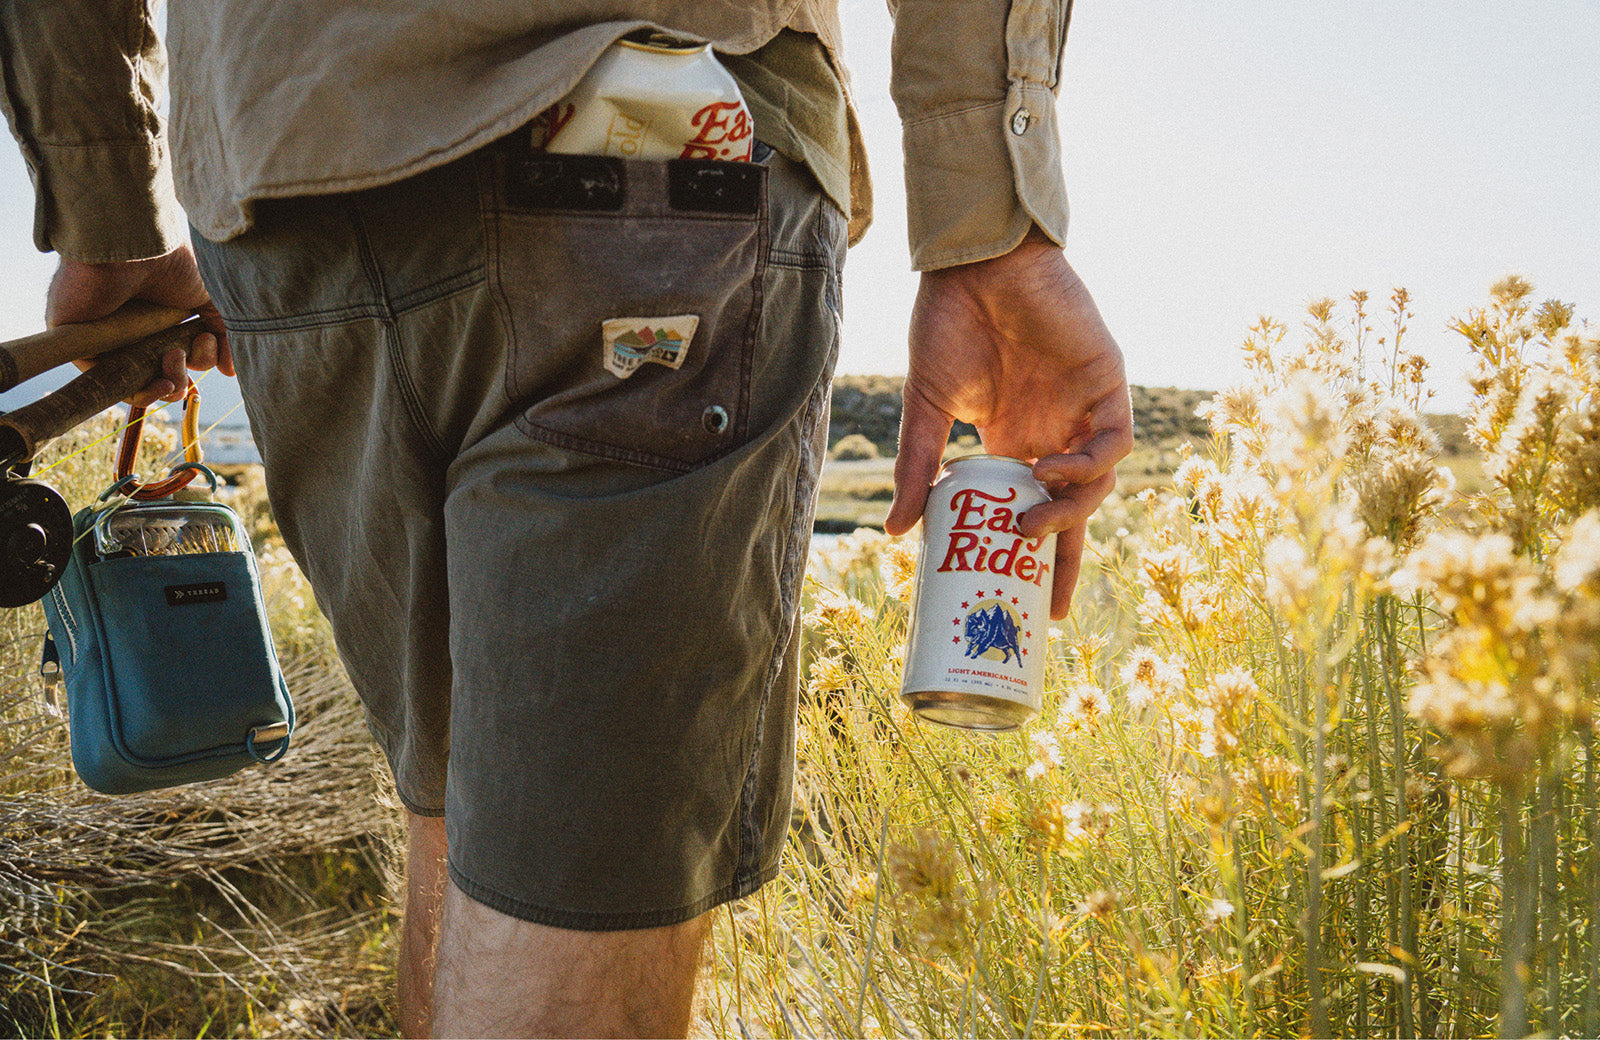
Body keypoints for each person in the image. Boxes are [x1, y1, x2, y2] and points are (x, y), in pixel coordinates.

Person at [1, 0, 1131, 1035]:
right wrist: (997, 221)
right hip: (658, 138)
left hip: (291, 176)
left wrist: (108, 210)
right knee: (564, 878)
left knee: (464, 821)